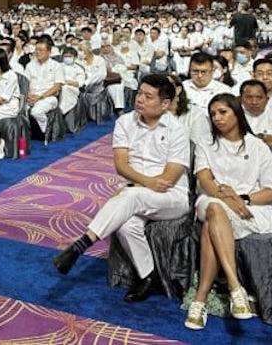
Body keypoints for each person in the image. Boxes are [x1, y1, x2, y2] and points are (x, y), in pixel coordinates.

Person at [53, 74, 190, 303]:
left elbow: (169, 178)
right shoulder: (125, 122)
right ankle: (149, 276)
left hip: (172, 197)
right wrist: (142, 184)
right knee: (126, 224)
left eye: (148, 96)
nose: (140, 99)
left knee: (130, 195)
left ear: (165, 104)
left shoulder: (177, 129)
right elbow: (121, 166)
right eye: (139, 93)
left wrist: (135, 186)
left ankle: (82, 244)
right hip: (137, 191)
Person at [185, 94, 272, 330]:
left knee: (211, 224)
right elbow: (206, 181)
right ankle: (235, 285)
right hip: (213, 199)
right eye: (213, 114)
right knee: (214, 207)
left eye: (223, 112)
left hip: (252, 207)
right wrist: (230, 199)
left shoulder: (257, 146)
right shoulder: (206, 143)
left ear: (237, 113)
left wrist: (243, 199)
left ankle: (200, 299)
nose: (217, 118)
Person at [240, 78, 272, 154]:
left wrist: (257, 138)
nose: (254, 102)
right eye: (249, 97)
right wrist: (268, 139)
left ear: (267, 99)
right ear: (241, 99)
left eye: (259, 97)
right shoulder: (233, 118)